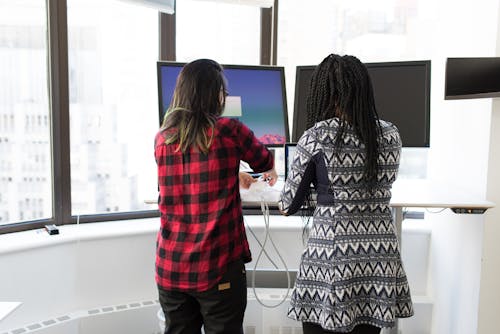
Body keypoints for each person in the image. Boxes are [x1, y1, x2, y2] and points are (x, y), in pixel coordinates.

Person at [278, 54, 413, 334]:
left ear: (324, 94)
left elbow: (288, 204)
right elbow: (367, 189)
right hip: (378, 259)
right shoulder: (391, 134)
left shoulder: (317, 136)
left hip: (332, 259)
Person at [154, 58, 278, 334]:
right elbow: (264, 161)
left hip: (171, 268)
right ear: (216, 95)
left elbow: (189, 176)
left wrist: (231, 174)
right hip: (216, 268)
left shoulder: (163, 138)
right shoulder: (228, 131)